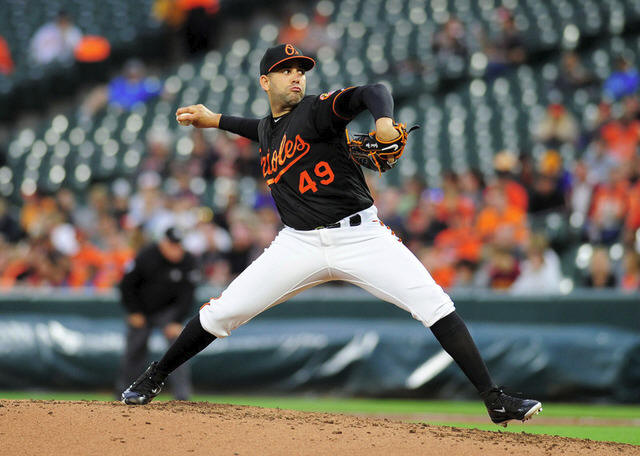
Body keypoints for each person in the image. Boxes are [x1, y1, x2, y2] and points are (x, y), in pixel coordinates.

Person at [121, 44, 542, 426]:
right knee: (221, 313)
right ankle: (154, 375)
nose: (296, 76)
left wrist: (382, 120)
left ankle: (494, 399)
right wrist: (216, 121)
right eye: (286, 70)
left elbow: (372, 90)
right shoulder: (268, 129)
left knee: (434, 304)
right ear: (265, 81)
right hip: (298, 243)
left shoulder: (317, 111)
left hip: (362, 237)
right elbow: (257, 128)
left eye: (300, 70)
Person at [116, 227, 199, 401]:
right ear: (163, 243)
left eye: (178, 245)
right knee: (135, 350)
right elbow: (126, 285)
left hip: (169, 311)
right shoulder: (146, 256)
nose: (176, 249)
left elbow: (188, 295)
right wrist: (134, 311)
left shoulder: (188, 261)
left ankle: (182, 397)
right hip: (142, 309)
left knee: (179, 348)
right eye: (172, 245)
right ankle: (124, 393)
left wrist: (177, 320)